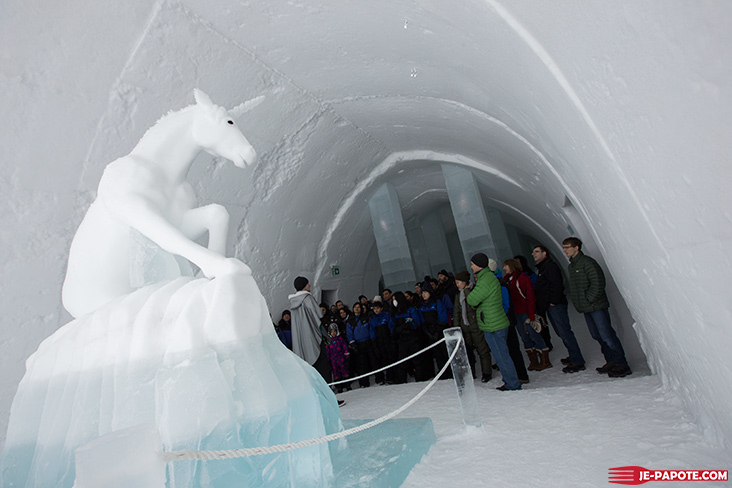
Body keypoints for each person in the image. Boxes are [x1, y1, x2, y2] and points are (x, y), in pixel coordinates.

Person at [562, 237, 632, 377]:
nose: (565, 250)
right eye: (563, 247)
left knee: (607, 335)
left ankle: (621, 364)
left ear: (577, 248)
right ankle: (611, 360)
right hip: (587, 307)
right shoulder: (573, 266)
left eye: (567, 247)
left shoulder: (587, 263)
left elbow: (598, 282)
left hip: (596, 306)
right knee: (597, 335)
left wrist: (589, 299)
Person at [467, 253, 521, 391]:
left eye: (473, 264)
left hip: (493, 324)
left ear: (479, 265)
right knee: (502, 354)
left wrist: (471, 294)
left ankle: (512, 383)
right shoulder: (487, 277)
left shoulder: (485, 280)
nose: (471, 266)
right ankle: (510, 381)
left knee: (501, 356)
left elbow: (472, 299)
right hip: (493, 322)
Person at [532, 244, 586, 373]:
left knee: (565, 332)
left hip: (555, 305)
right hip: (552, 305)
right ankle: (573, 356)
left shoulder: (549, 266)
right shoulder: (544, 267)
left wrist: (553, 302)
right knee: (562, 332)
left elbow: (556, 284)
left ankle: (577, 360)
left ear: (544, 253)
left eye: (536, 251)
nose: (533, 254)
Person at [503, 258, 552, 371]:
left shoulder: (522, 278)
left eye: (506, 266)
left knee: (534, 335)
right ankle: (533, 360)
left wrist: (531, 314)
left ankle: (545, 360)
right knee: (524, 337)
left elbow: (530, 297)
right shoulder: (508, 280)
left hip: (525, 312)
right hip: (516, 313)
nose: (504, 268)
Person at [492, 259, 530, 384]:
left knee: (512, 349)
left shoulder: (500, 284)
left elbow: (505, 305)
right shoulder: (502, 281)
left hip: (505, 321)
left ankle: (520, 376)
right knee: (510, 349)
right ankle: (517, 375)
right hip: (505, 320)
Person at [289, 276, 332, 382]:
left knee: (312, 370)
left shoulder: (293, 303)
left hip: (302, 340)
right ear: (303, 285)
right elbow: (318, 317)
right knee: (322, 366)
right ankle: (329, 396)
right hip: (314, 337)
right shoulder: (307, 298)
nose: (310, 285)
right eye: (308, 283)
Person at [453, 270, 493, 383]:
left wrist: (466, 292)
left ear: (465, 282)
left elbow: (475, 304)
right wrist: (457, 327)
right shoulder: (457, 295)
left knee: (482, 349)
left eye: (459, 282)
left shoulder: (473, 291)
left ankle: (487, 372)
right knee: (468, 351)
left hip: (475, 325)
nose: (457, 285)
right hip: (464, 327)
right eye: (456, 282)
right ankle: (471, 372)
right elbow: (456, 312)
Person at [391, 291, 433, 383]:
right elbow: (393, 329)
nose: (394, 302)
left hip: (413, 338)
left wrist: (403, 327)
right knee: (402, 361)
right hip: (402, 340)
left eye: (395, 299)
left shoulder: (411, 309)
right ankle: (401, 381)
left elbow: (416, 324)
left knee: (417, 360)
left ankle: (420, 378)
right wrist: (404, 326)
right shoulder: (394, 313)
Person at [418, 285, 451, 379]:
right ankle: (442, 372)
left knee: (445, 352)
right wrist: (428, 332)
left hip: (440, 331)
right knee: (437, 354)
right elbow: (422, 320)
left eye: (425, 292)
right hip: (430, 332)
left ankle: (450, 371)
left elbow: (443, 318)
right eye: (422, 293)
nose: (423, 294)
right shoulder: (421, 305)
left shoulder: (437, 302)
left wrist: (437, 331)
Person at [347, 302, 377, 387]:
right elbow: (349, 334)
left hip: (368, 342)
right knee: (361, 364)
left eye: (358, 307)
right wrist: (353, 344)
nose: (357, 309)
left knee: (374, 361)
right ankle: (364, 383)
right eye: (355, 307)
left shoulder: (366, 318)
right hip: (358, 344)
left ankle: (379, 379)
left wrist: (373, 340)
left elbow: (370, 329)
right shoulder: (350, 321)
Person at [369, 300, 397, 384]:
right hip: (379, 342)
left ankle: (391, 377)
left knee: (391, 359)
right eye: (374, 309)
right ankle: (383, 378)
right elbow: (372, 332)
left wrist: (392, 337)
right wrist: (374, 343)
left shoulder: (386, 316)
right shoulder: (373, 319)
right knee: (383, 359)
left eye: (377, 308)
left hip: (388, 340)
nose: (376, 310)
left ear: (381, 308)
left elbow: (391, 326)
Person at [325, 323, 351, 393]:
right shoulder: (329, 341)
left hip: (341, 357)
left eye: (334, 331)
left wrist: (347, 356)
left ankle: (347, 385)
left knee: (344, 370)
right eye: (332, 332)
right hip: (333, 359)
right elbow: (327, 351)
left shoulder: (340, 339)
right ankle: (339, 387)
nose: (333, 333)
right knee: (336, 372)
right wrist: (328, 361)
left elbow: (345, 347)